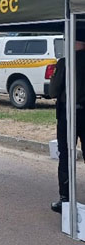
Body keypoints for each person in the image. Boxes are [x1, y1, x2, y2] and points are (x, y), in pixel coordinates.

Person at [50, 31, 85, 213]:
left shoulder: (66, 62)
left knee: (66, 155)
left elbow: (53, 90)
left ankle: (65, 198)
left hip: (68, 114)